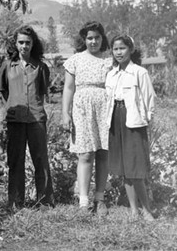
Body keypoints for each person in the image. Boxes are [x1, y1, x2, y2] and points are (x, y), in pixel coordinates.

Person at [0, 25, 54, 210]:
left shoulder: (40, 67)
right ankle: (16, 202)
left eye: (28, 43)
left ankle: (45, 201)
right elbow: (4, 90)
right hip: (15, 119)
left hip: (36, 119)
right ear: (15, 43)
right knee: (15, 160)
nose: (24, 46)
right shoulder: (7, 66)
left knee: (40, 159)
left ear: (33, 44)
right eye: (21, 42)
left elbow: (43, 90)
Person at [61, 21, 111, 216]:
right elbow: (68, 88)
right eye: (90, 38)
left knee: (103, 153)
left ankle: (100, 199)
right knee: (85, 154)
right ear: (84, 39)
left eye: (97, 37)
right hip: (82, 109)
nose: (93, 41)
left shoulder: (108, 61)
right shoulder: (75, 60)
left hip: (104, 108)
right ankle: (83, 201)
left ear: (102, 38)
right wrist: (65, 112)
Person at [106, 34, 156, 221]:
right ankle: (134, 210)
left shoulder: (139, 72)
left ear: (131, 50)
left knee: (136, 166)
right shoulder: (111, 74)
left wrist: (147, 119)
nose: (119, 52)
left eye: (122, 48)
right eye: (115, 49)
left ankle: (147, 210)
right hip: (115, 118)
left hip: (134, 119)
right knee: (126, 168)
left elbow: (149, 99)